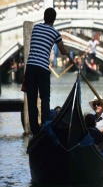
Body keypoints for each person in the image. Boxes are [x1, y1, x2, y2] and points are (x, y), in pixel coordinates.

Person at [25, 7, 68, 135]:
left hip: (31, 67)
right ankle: (44, 124)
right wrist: (65, 52)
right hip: (43, 68)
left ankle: (34, 130)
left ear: (44, 17)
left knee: (31, 99)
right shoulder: (55, 33)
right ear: (54, 20)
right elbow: (62, 51)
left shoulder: (36, 28)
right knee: (45, 98)